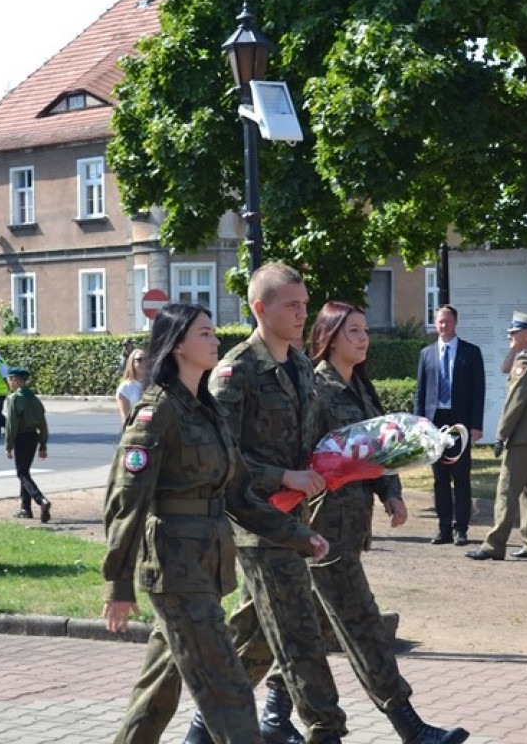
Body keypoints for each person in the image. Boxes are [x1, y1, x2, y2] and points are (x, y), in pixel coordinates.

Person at [102, 303, 330, 744]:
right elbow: (126, 503)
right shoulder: (155, 413)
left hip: (205, 565)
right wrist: (117, 584)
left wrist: (299, 536)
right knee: (229, 694)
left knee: (158, 689)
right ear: (178, 346)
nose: (215, 341)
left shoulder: (206, 411)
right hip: (174, 568)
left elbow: (239, 495)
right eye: (205, 334)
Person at [186, 261, 348, 744]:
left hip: (293, 520)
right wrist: (284, 475)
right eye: (292, 305)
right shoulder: (236, 373)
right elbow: (221, 457)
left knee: (254, 640)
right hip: (257, 526)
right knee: (300, 636)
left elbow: (312, 438)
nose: (303, 314)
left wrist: (352, 458)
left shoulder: (300, 365)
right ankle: (327, 731)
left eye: (305, 304)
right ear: (260, 308)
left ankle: (204, 728)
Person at [308, 300, 470, 744]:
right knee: (362, 623)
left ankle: (238, 722)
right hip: (321, 529)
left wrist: (392, 494)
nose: (363, 338)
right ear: (330, 336)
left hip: (350, 526)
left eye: (364, 330)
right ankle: (410, 727)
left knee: (302, 630)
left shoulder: (361, 388)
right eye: (354, 331)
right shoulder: (313, 389)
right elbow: (305, 457)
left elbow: (381, 447)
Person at [466, 312, 527, 561]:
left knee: (507, 489)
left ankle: (494, 544)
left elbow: (516, 402)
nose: (509, 336)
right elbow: (506, 368)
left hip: (523, 437)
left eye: (514, 333)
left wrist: (501, 435)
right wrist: (515, 348)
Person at [414, 305, 484, 546]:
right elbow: (420, 392)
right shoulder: (427, 353)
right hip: (435, 422)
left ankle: (461, 528)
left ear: (456, 322)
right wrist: (419, 424)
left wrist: (476, 425)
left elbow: (478, 392)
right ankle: (443, 527)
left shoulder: (471, 352)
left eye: (448, 321)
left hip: (460, 423)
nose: (444, 326)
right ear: (435, 323)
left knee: (461, 477)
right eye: (440, 322)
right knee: (439, 478)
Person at [4, 367, 52, 523]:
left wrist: (8, 445)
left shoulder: (14, 399)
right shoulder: (34, 398)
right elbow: (43, 423)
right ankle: (26, 508)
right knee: (25, 471)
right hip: (33, 437)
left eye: (10, 379)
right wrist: (43, 444)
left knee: (21, 473)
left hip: (21, 437)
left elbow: (12, 424)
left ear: (17, 381)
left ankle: (41, 500)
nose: (8, 382)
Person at [116, 347, 148, 424]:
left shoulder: (156, 384)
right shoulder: (125, 387)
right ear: (132, 363)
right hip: (136, 431)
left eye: (146, 359)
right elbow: (126, 418)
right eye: (139, 360)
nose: (144, 362)